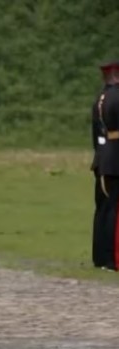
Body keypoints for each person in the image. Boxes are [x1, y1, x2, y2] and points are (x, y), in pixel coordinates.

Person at [92, 59, 119, 270]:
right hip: (115, 157)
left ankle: (99, 255)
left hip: (102, 156)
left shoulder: (100, 98)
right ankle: (110, 258)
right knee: (111, 209)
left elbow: (96, 134)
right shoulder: (116, 97)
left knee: (102, 209)